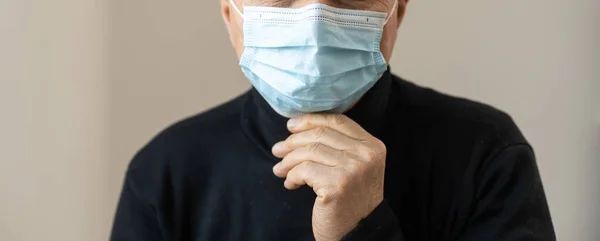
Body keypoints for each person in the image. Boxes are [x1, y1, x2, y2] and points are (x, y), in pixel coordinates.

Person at [110, 0, 556, 240]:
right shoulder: (166, 172)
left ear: (396, 12)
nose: (315, 19)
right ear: (231, 17)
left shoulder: (485, 153)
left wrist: (362, 230)